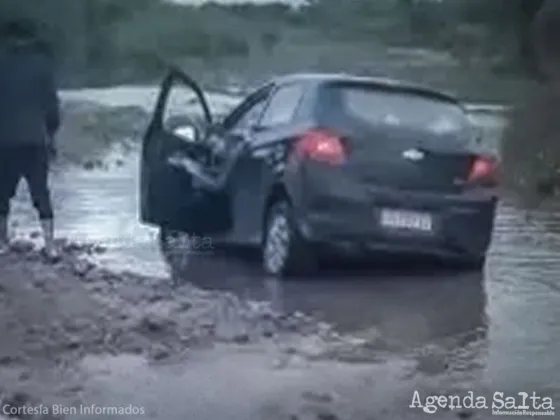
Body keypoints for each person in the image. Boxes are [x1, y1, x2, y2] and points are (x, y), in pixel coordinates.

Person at [0, 19, 61, 257]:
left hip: (4, 141)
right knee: (40, 192)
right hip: (36, 139)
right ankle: (50, 246)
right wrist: (52, 135)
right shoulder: (42, 66)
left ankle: (2, 243)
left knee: (2, 193)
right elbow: (52, 107)